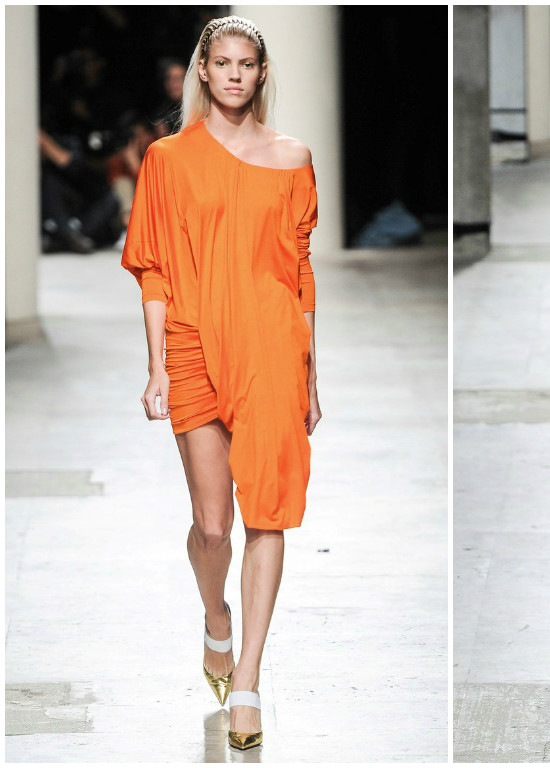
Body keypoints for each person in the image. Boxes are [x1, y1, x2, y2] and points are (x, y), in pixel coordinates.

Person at [120, 15, 321, 751]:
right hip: (192, 343)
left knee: (266, 513)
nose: (235, 75)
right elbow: (153, 267)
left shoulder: (293, 157)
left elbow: (300, 269)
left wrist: (311, 369)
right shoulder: (167, 158)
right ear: (202, 72)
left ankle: (248, 683)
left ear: (261, 74)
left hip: (272, 347)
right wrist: (155, 366)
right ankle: (217, 621)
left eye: (247, 64)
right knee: (212, 525)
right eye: (223, 63)